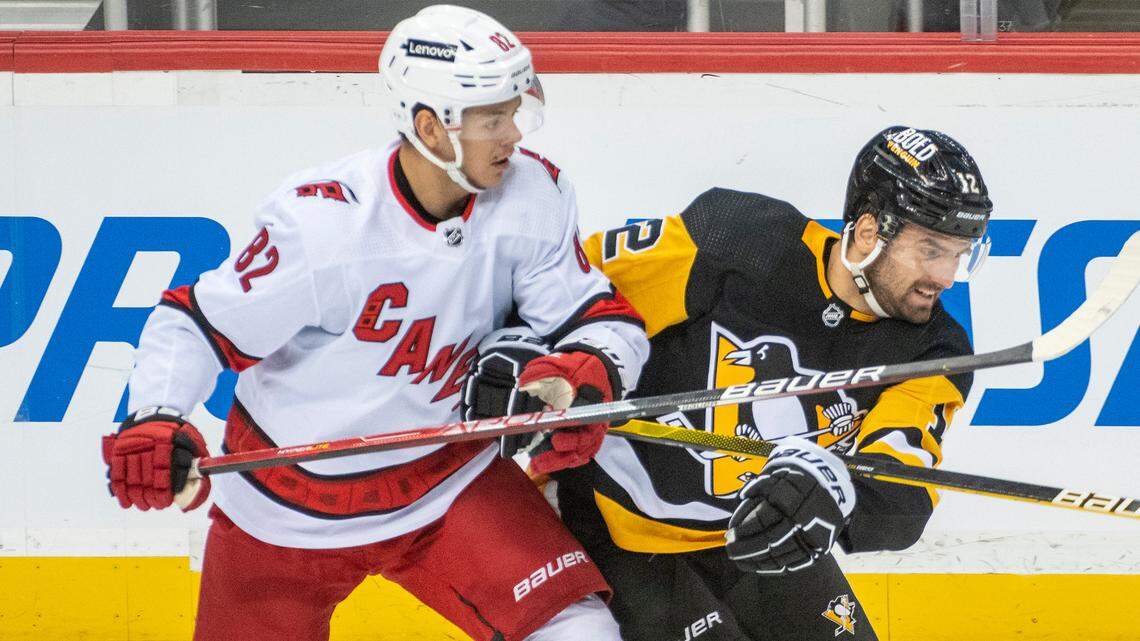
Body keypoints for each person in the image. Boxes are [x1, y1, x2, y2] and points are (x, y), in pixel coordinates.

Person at [100, 5, 649, 641]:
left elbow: (601, 321)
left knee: (579, 633)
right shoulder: (324, 226)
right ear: (432, 129)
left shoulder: (533, 195)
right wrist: (155, 415)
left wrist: (584, 374)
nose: (514, 136)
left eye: (514, 112)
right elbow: (195, 322)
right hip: (285, 509)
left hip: (448, 483)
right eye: (493, 118)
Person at [466, 126, 992, 640]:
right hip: (612, 519)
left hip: (754, 533)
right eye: (931, 250)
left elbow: (902, 487)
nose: (945, 276)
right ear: (872, 232)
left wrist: (839, 491)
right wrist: (518, 354)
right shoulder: (741, 241)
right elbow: (572, 293)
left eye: (958, 255)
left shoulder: (934, 350)